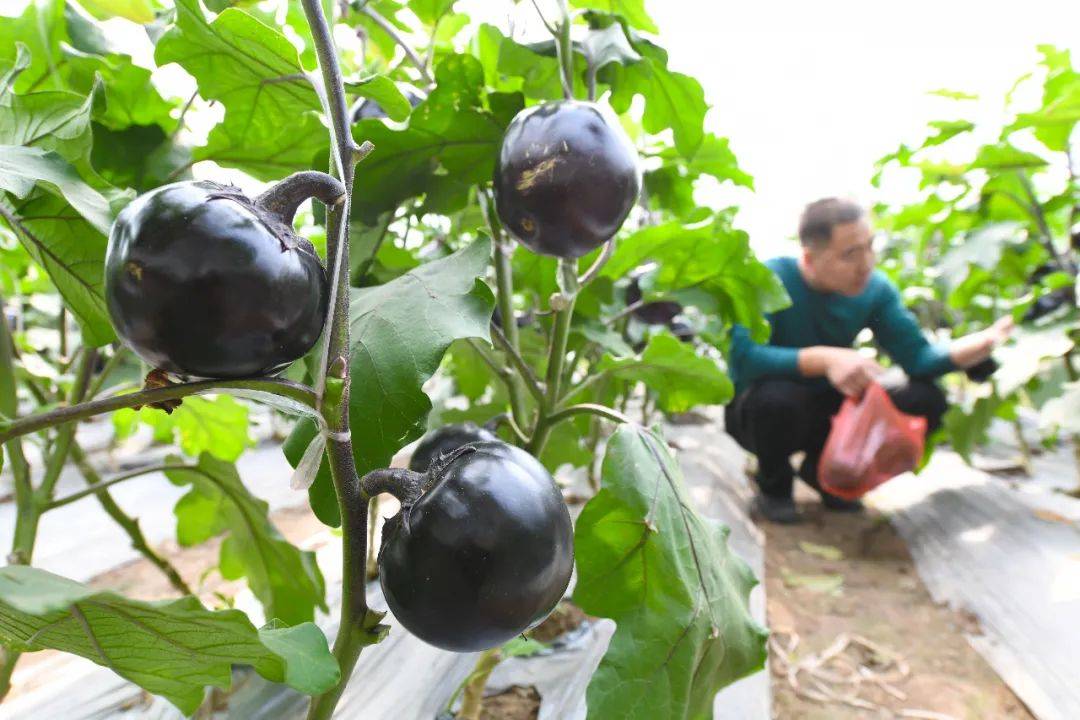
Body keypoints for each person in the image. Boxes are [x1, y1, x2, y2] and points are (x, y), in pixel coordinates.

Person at [725, 198, 1013, 524]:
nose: (866, 263)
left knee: (925, 397)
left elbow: (917, 358)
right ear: (809, 258)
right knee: (778, 399)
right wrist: (826, 359)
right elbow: (744, 358)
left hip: (830, 406)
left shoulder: (874, 289)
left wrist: (968, 348)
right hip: (762, 413)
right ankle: (774, 486)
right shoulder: (769, 279)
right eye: (850, 254)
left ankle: (823, 473)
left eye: (869, 247)